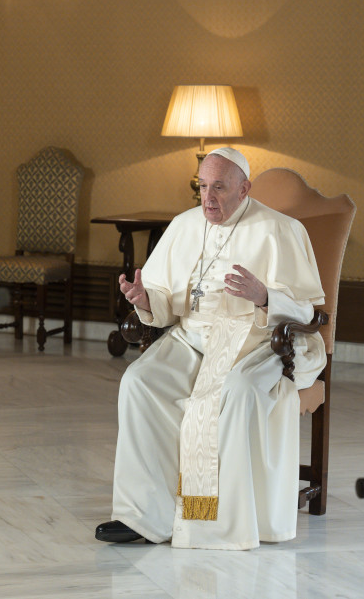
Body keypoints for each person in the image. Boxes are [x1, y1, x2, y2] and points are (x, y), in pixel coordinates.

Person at [96, 147, 327, 550]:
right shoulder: (184, 225)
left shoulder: (281, 230)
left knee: (236, 392)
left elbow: (309, 311)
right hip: (192, 338)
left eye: (219, 187)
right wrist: (145, 300)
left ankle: (221, 522)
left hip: (254, 342)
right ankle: (144, 515)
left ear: (244, 188)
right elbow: (166, 296)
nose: (208, 198)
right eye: (202, 187)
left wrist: (266, 296)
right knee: (139, 381)